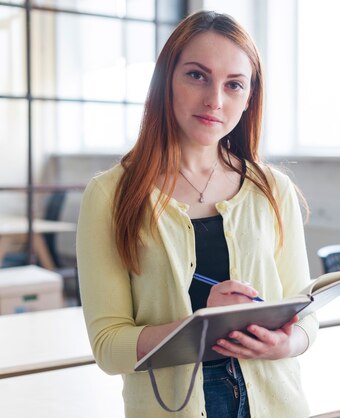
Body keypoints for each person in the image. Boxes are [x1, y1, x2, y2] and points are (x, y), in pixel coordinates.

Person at [76, 10, 318, 418]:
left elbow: (304, 316)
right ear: (166, 79)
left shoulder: (272, 189)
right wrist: (203, 326)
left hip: (277, 403)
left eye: (234, 85)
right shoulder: (110, 195)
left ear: (249, 98)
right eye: (197, 75)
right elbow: (108, 347)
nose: (214, 100)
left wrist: (287, 344)